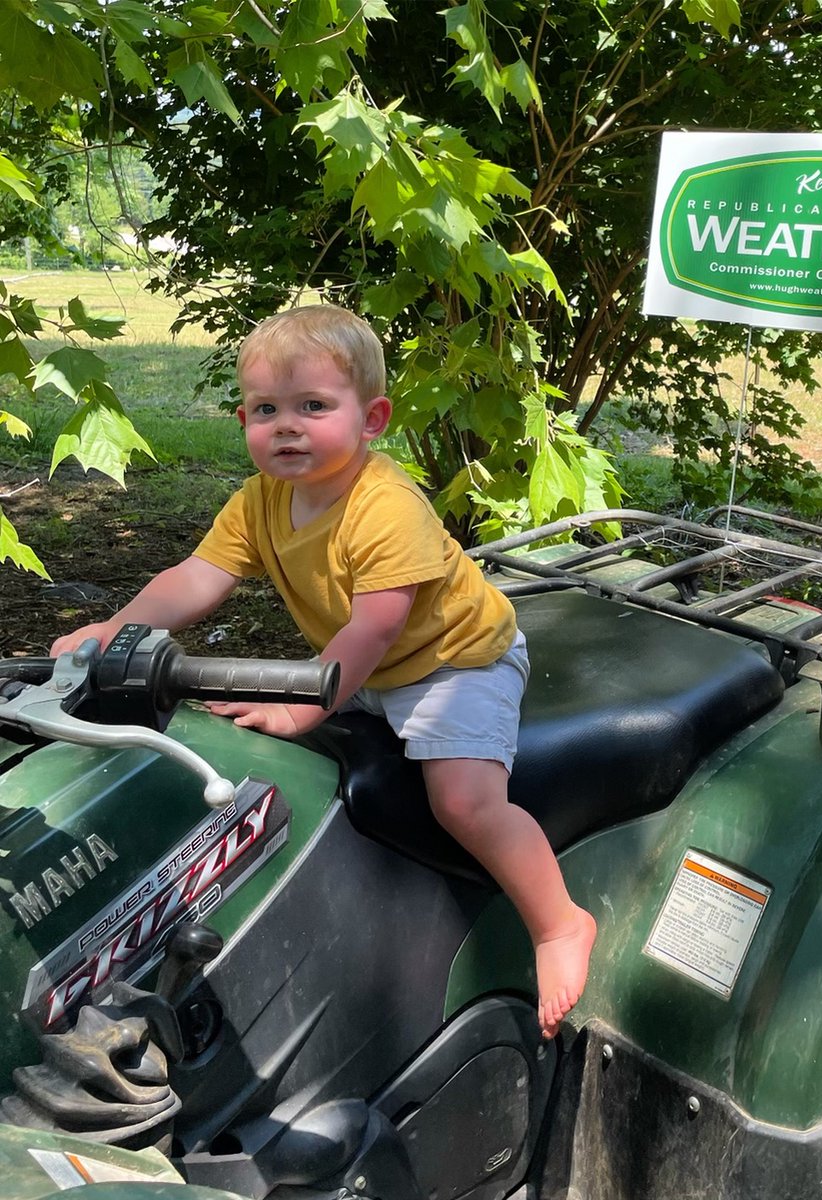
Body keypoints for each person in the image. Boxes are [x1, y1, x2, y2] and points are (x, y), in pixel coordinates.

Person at [51, 305, 596, 1039]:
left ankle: (559, 923)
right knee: (245, 744)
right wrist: (117, 629)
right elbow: (199, 574)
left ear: (371, 419)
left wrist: (305, 704)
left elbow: (377, 623)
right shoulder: (260, 500)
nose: (287, 426)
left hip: (452, 663)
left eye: (314, 406)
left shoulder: (385, 504)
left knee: (464, 801)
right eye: (267, 409)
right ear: (243, 416)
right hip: (360, 664)